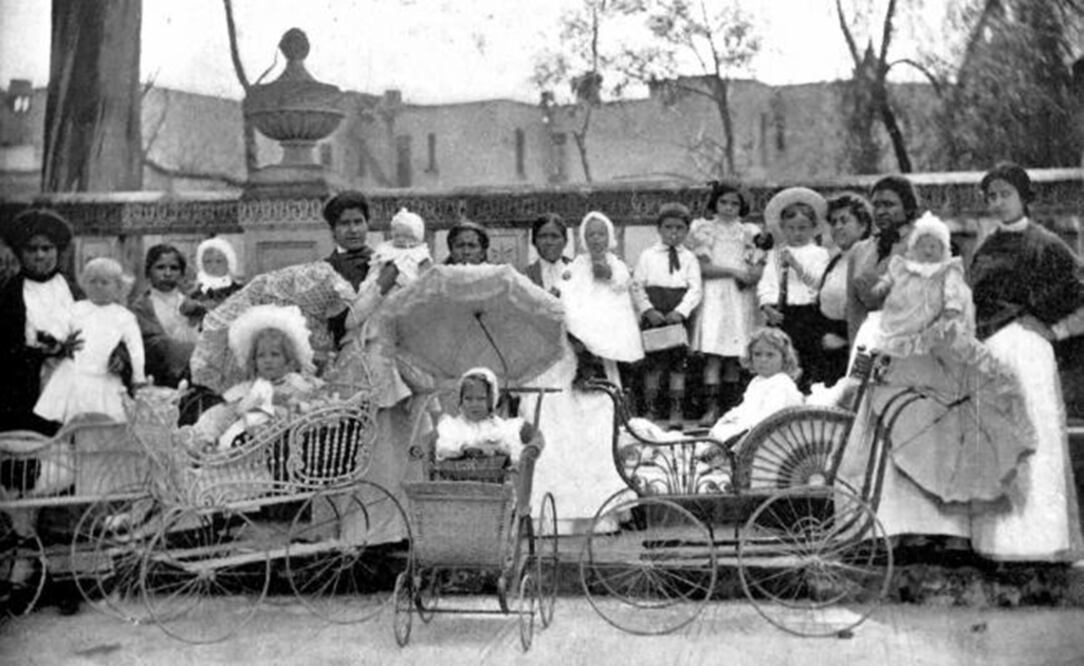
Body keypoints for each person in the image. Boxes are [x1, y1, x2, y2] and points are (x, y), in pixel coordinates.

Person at [967, 162, 1084, 561]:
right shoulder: (986, 248)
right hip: (990, 355)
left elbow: (1078, 290)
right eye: (992, 196)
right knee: (996, 442)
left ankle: (1039, 540)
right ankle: (998, 542)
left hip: (1030, 354)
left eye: (1006, 194)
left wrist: (1057, 330)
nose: (998, 203)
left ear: (1024, 197)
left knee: (1034, 439)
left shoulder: (1047, 244)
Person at [191, 304, 322, 451]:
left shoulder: (297, 383)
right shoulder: (250, 387)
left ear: (288, 359)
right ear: (254, 361)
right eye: (261, 355)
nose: (267, 360)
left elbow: (310, 405)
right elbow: (227, 412)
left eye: (275, 354)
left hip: (283, 445)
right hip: (247, 439)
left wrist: (291, 404)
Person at [687, 182, 764, 425]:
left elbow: (755, 263)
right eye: (724, 202)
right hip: (716, 294)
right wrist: (734, 272)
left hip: (739, 296)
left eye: (734, 203)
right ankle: (711, 408)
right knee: (713, 355)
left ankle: (731, 409)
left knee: (734, 355)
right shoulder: (705, 230)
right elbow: (703, 268)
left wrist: (753, 272)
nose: (729, 208)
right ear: (715, 203)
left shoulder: (748, 232)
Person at [0, 209, 82, 434]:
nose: (40, 256)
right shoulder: (10, 294)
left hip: (73, 382)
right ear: (19, 253)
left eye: (47, 248)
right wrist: (46, 352)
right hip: (27, 388)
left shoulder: (72, 289)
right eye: (31, 249)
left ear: (58, 251)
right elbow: (6, 349)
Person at [34, 258, 145, 424]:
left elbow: (136, 349)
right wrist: (53, 338)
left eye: (105, 282)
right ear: (84, 284)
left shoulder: (124, 317)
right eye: (92, 281)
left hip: (104, 376)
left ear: (118, 287)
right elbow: (60, 326)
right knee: (70, 419)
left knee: (103, 421)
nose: (98, 286)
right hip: (74, 374)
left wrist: (138, 377)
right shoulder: (76, 309)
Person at [631, 202, 702, 426]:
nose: (673, 232)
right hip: (655, 315)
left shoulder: (690, 258)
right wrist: (648, 309)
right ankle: (651, 409)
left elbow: (695, 288)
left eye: (679, 228)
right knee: (653, 365)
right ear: (659, 229)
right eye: (668, 227)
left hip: (676, 317)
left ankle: (676, 411)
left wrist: (681, 312)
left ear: (686, 231)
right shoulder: (648, 255)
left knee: (677, 366)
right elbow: (636, 285)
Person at [757, 187, 831, 391]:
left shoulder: (819, 254)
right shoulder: (776, 253)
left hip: (808, 313)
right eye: (791, 228)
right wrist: (767, 307)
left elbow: (817, 283)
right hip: (782, 313)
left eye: (803, 228)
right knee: (780, 357)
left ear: (813, 227)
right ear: (782, 228)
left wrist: (796, 265)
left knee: (807, 357)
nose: (797, 233)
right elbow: (766, 282)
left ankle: (804, 395)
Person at [870, 212, 971, 357]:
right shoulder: (903, 266)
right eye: (922, 246)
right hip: (900, 315)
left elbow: (952, 290)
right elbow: (890, 276)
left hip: (929, 318)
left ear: (943, 250)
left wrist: (952, 306)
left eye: (933, 246)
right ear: (913, 248)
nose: (927, 250)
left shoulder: (947, 270)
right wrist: (883, 284)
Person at [562, 211, 644, 386]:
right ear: (584, 238)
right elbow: (568, 285)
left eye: (601, 234)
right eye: (591, 235)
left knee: (605, 348)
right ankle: (585, 370)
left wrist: (610, 274)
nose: (596, 239)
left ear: (609, 236)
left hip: (608, 318)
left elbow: (623, 283)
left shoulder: (615, 262)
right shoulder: (578, 263)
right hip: (584, 315)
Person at [702, 327, 804, 453]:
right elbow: (744, 408)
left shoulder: (782, 384)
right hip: (753, 431)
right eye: (757, 354)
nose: (763, 360)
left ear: (784, 358)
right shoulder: (757, 381)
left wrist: (740, 430)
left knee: (724, 437)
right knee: (719, 431)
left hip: (771, 439)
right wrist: (727, 418)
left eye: (770, 355)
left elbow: (770, 419)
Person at [846, 175, 922, 344]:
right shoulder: (859, 250)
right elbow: (854, 310)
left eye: (889, 205)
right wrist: (856, 348)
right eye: (876, 205)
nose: (880, 212)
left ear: (908, 207)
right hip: (869, 339)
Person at [817, 192, 873, 384]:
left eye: (844, 220)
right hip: (830, 355)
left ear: (863, 224)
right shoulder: (835, 260)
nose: (837, 227)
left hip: (857, 349)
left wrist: (845, 341)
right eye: (833, 222)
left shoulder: (870, 259)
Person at [434, 367, 540, 465]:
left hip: (495, 480)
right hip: (459, 478)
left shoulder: (498, 426)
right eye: (468, 399)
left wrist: (497, 449)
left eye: (481, 399)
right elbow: (443, 448)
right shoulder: (453, 426)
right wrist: (463, 449)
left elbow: (512, 448)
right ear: (461, 400)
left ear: (491, 401)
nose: (474, 404)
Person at [130, 244, 199, 388]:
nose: (167, 273)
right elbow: (150, 346)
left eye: (174, 268)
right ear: (148, 272)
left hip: (193, 381)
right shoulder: (140, 308)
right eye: (160, 267)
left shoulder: (194, 306)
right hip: (155, 382)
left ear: (181, 273)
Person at [322, 191, 378, 348]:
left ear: (367, 225)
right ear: (333, 230)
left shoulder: (382, 264)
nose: (353, 230)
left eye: (358, 222)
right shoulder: (325, 271)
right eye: (345, 223)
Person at [182, 237, 245, 327]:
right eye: (208, 262)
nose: (213, 266)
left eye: (219, 261)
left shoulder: (240, 292)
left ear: (229, 263)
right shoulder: (194, 294)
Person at [371, 208, 432, 288]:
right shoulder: (386, 250)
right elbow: (376, 270)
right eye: (397, 236)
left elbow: (426, 277)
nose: (401, 240)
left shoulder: (420, 254)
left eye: (407, 237)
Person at [523, 213, 571, 297]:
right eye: (542, 236)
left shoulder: (578, 270)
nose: (549, 242)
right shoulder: (525, 277)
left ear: (565, 241)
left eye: (555, 236)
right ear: (534, 242)